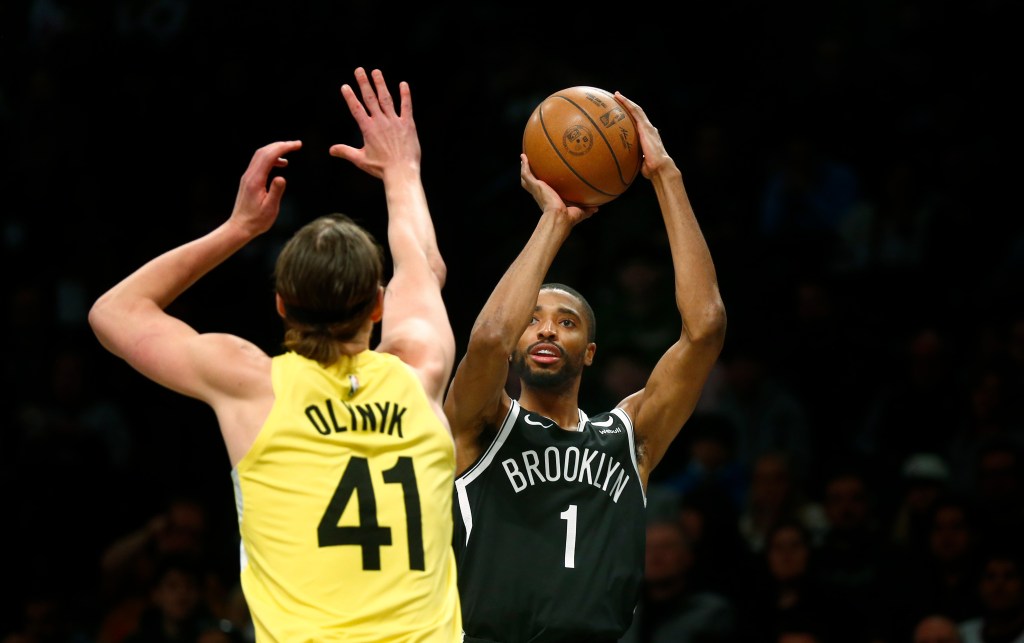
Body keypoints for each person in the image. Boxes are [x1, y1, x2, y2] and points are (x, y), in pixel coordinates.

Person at [88, 68, 462, 641]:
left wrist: (239, 227)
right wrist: (402, 171)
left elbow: (113, 313)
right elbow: (422, 267)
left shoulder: (250, 384)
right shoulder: (421, 370)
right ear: (378, 306)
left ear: (282, 305)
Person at [445, 90, 728, 642]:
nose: (548, 328)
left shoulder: (629, 438)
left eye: (567, 322)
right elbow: (487, 340)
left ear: (590, 352)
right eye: (534, 318)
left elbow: (706, 330)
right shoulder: (481, 425)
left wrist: (665, 176)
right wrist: (555, 221)